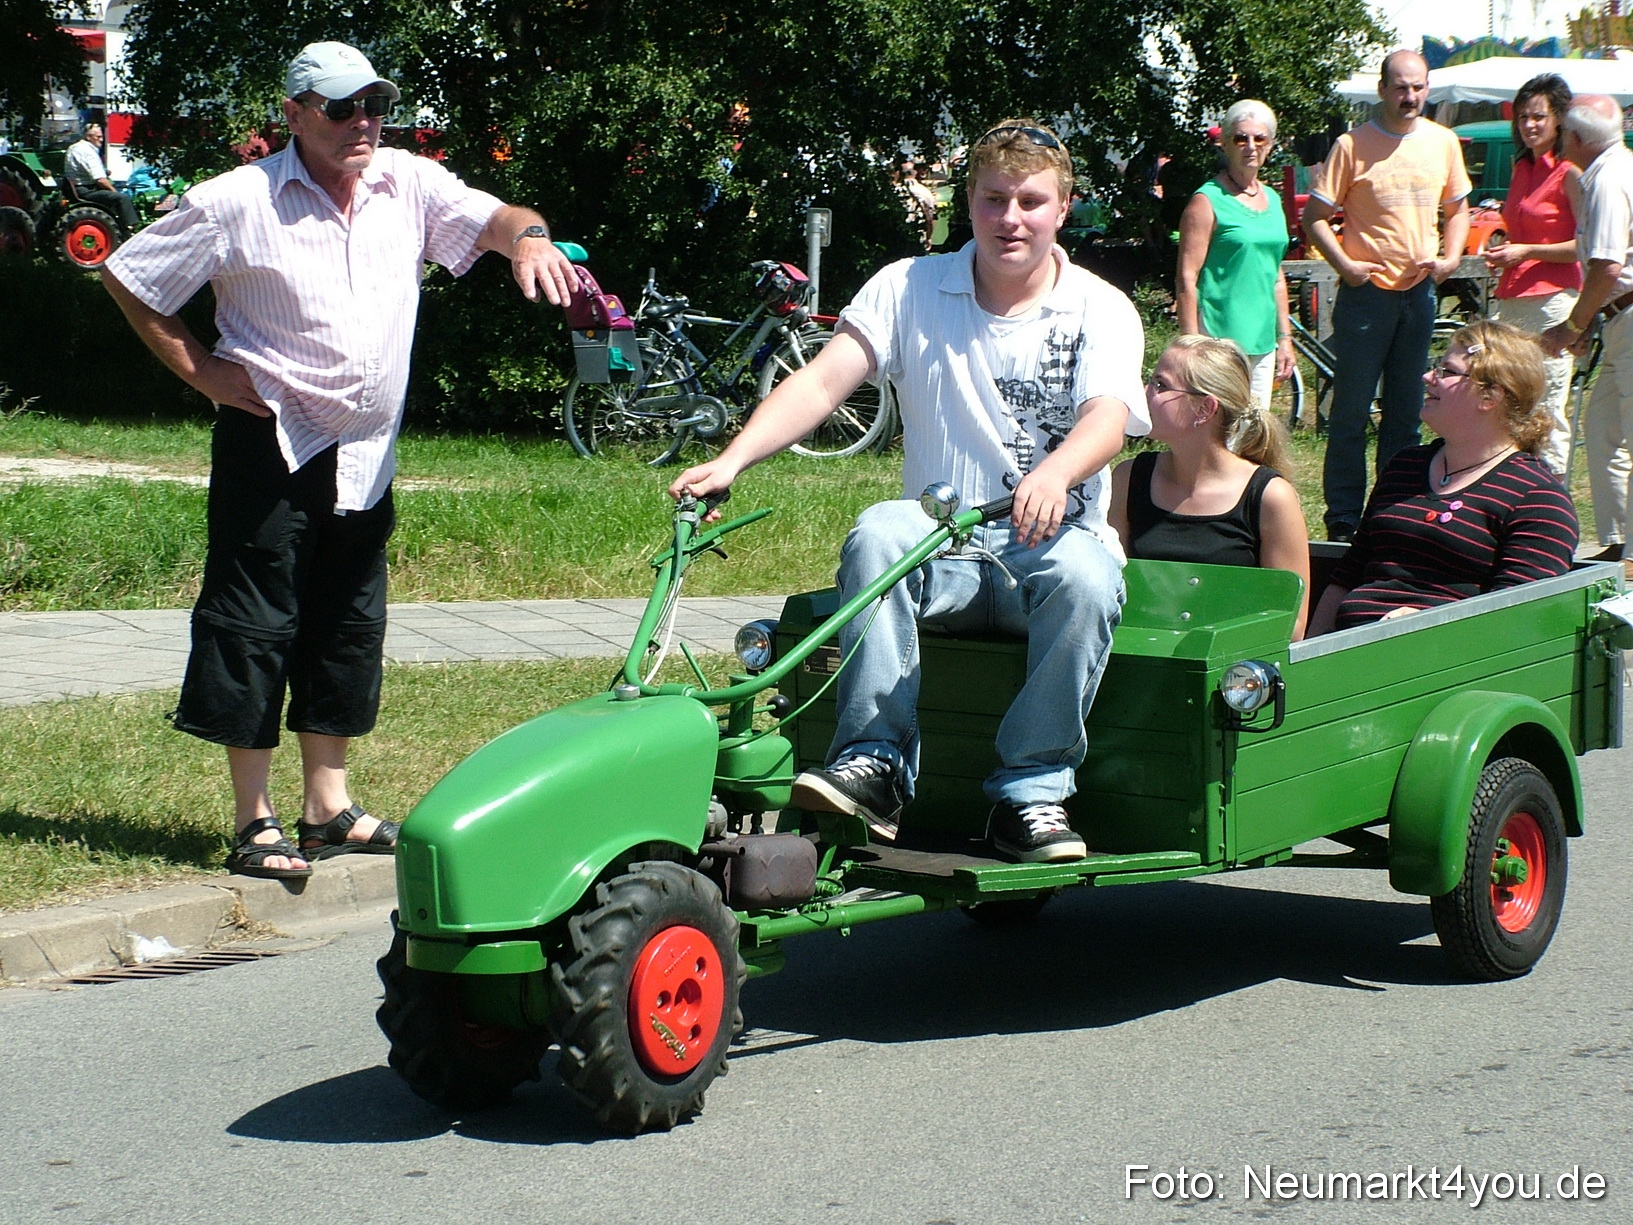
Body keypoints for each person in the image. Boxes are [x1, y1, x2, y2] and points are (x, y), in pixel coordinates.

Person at [100, 41, 576, 879]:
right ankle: (254, 821)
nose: (363, 122)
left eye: (376, 105)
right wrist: (203, 370)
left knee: (348, 625)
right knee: (254, 624)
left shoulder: (407, 182)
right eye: (342, 107)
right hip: (273, 438)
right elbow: (131, 276)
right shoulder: (235, 201)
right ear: (293, 114)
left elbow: (498, 217)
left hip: (366, 450)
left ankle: (328, 806)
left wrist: (531, 239)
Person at [670, 119, 1146, 864]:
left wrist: (1054, 474)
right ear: (968, 201)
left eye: (1029, 201)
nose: (1010, 219)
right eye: (993, 200)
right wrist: (731, 460)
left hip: (1050, 546)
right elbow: (824, 380)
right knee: (878, 531)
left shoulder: (1100, 307)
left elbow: (1108, 420)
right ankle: (875, 764)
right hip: (943, 542)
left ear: (1063, 207)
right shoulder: (909, 286)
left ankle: (1032, 794)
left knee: (1089, 576)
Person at [1308, 320, 1578, 635]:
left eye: (1446, 372)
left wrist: (1430, 624)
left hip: (1443, 668)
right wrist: (1307, 661)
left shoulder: (1537, 499)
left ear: (1489, 396)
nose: (1427, 378)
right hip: (1351, 652)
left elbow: (1514, 620)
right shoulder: (1405, 467)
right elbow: (1346, 577)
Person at [1302, 49, 1472, 542]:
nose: (1410, 96)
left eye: (1418, 87)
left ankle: (1394, 512)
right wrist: (1346, 266)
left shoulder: (1442, 143)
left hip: (1418, 295)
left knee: (1408, 414)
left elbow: (1458, 209)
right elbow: (1315, 217)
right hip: (1366, 296)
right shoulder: (1352, 145)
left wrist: (1452, 257)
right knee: (1350, 413)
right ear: (1382, 89)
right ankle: (1343, 522)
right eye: (1401, 87)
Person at [1109, 335, 1311, 639]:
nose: (1144, 393)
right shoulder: (1128, 479)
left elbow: (1292, 624)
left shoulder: (1270, 497)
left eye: (1160, 385)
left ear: (1205, 409)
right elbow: (1105, 588)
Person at [1541, 95, 1633, 562]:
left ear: (1575, 138)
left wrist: (1572, 326)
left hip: (1628, 317)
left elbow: (1608, 267)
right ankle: (1620, 543)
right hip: (1620, 317)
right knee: (1603, 430)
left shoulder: (1607, 180)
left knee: (1622, 434)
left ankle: (1630, 551)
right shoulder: (1616, 170)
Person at [1484, 74, 1582, 478]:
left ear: (1559, 119)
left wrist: (1527, 251)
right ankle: (1520, 488)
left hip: (1553, 299)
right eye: (1523, 117)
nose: (1529, 125)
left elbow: (1586, 244)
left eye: (1538, 116)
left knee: (1548, 400)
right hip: (1514, 296)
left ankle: (1553, 494)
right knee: (1514, 398)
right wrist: (1507, 249)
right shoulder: (1520, 166)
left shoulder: (1569, 172)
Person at [1175, 99, 1294, 414]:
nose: (1250, 146)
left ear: (1270, 145)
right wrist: (1190, 345)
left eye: (1259, 139)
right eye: (1241, 138)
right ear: (1225, 143)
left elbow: (1276, 274)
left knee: (1252, 434)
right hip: (1218, 342)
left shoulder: (1272, 199)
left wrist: (1285, 337)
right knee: (1217, 437)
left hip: (1263, 342)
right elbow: (1187, 277)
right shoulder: (1206, 201)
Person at [63, 122, 140, 231]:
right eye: (98, 137)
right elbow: (100, 180)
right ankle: (132, 228)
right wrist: (114, 191)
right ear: (88, 137)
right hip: (86, 191)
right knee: (122, 198)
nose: (101, 140)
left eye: (101, 137)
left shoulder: (74, 147)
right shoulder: (87, 151)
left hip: (77, 188)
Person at [896, 158, 938, 252]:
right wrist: (928, 237)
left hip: (896, 237)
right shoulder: (924, 192)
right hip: (917, 237)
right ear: (915, 172)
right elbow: (930, 218)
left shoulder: (893, 191)